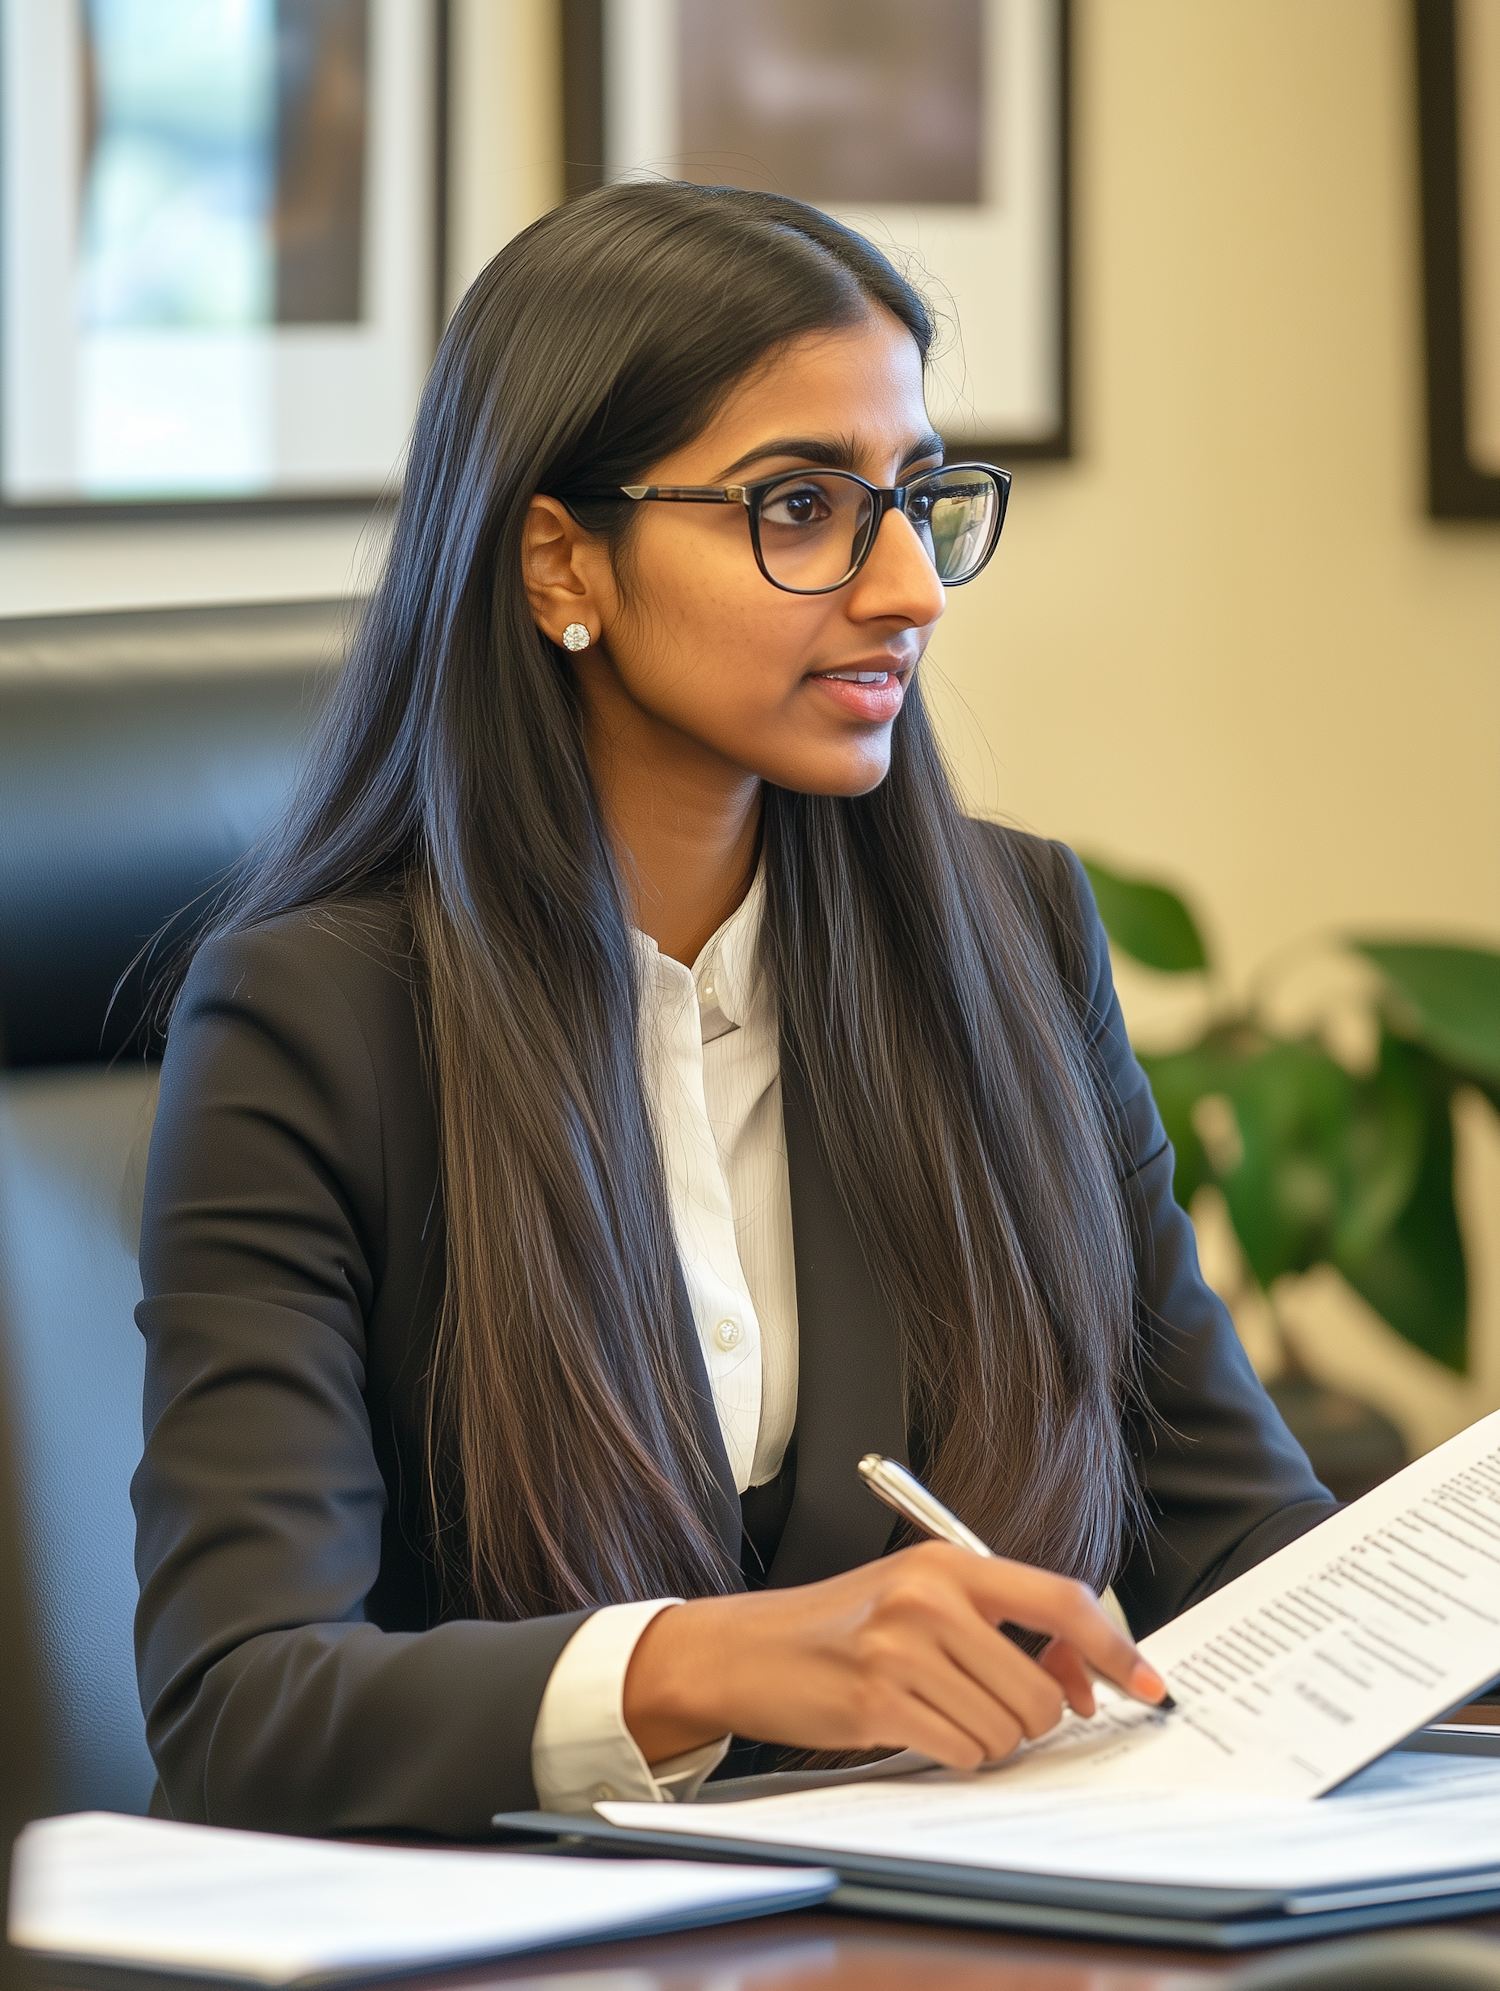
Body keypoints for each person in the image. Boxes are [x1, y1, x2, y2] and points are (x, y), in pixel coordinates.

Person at [132, 181, 1334, 1838]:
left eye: (918, 500)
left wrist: (1425, 1626)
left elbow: (1245, 1539)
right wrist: (707, 1665)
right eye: (800, 505)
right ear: (565, 556)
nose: (909, 586)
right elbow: (240, 1705)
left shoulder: (1018, 942)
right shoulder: (311, 1028)